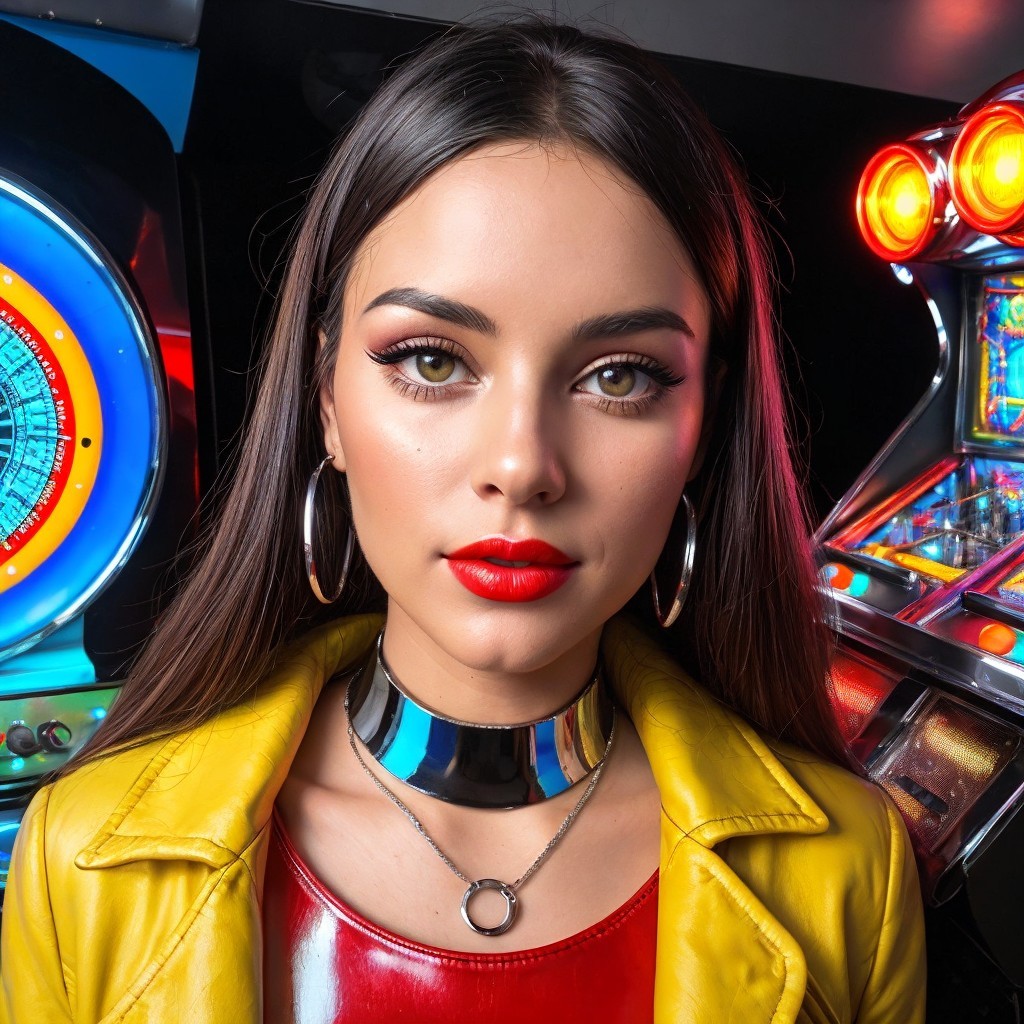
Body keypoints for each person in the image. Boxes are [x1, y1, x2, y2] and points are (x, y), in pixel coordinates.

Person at [0, 16, 925, 1024]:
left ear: (705, 428)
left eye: (619, 376)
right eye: (432, 360)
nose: (521, 466)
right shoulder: (84, 855)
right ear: (326, 402)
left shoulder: (850, 871)